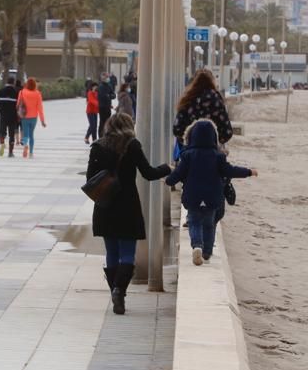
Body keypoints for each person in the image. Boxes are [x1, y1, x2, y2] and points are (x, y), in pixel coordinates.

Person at [88, 113, 170, 315]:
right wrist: (168, 168)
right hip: (127, 205)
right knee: (127, 253)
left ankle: (117, 294)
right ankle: (119, 291)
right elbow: (148, 173)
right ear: (128, 126)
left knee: (112, 253)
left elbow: (90, 178)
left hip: (105, 205)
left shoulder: (98, 146)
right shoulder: (132, 145)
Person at [165, 119, 257, 266]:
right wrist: (248, 172)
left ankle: (197, 246)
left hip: (193, 197)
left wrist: (168, 181)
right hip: (212, 197)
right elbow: (230, 171)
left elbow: (178, 173)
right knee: (209, 224)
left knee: (194, 222)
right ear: (213, 138)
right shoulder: (218, 156)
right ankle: (207, 253)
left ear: (191, 137)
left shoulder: (187, 155)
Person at [172, 69, 232, 147]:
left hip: (190, 154)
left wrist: (188, 141)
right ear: (212, 81)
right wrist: (215, 141)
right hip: (212, 154)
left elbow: (177, 129)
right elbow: (227, 132)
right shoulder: (216, 99)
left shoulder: (187, 99)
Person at [16, 78, 46, 159]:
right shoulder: (38, 94)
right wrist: (42, 120)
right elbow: (40, 108)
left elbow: (18, 104)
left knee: (25, 134)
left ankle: (25, 145)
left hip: (24, 116)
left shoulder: (22, 92)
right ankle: (31, 153)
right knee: (31, 135)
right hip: (34, 117)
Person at [0, 77, 20, 157]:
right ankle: (10, 152)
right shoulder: (16, 92)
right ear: (13, 83)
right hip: (13, 116)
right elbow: (19, 105)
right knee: (11, 134)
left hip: (3, 115)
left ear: (7, 82)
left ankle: (2, 143)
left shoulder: (1, 91)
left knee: (2, 131)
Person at [96, 73, 114, 137]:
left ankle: (106, 134)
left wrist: (109, 96)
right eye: (106, 77)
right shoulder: (100, 86)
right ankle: (101, 135)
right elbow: (101, 96)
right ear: (103, 79)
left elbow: (113, 95)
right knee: (102, 122)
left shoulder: (109, 86)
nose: (108, 78)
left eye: (107, 77)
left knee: (108, 122)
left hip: (108, 107)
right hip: (102, 107)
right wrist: (108, 96)